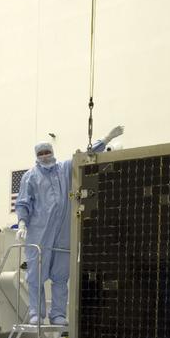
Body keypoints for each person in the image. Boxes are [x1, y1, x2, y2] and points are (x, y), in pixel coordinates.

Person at [15, 125, 124, 326]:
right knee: (35, 276)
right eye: (41, 153)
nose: (45, 156)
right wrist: (21, 223)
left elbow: (85, 156)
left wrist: (106, 139)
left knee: (60, 275)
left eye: (48, 152)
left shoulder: (65, 169)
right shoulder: (29, 177)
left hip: (64, 232)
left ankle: (58, 314)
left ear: (53, 152)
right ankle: (36, 313)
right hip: (39, 233)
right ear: (36, 155)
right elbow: (23, 202)